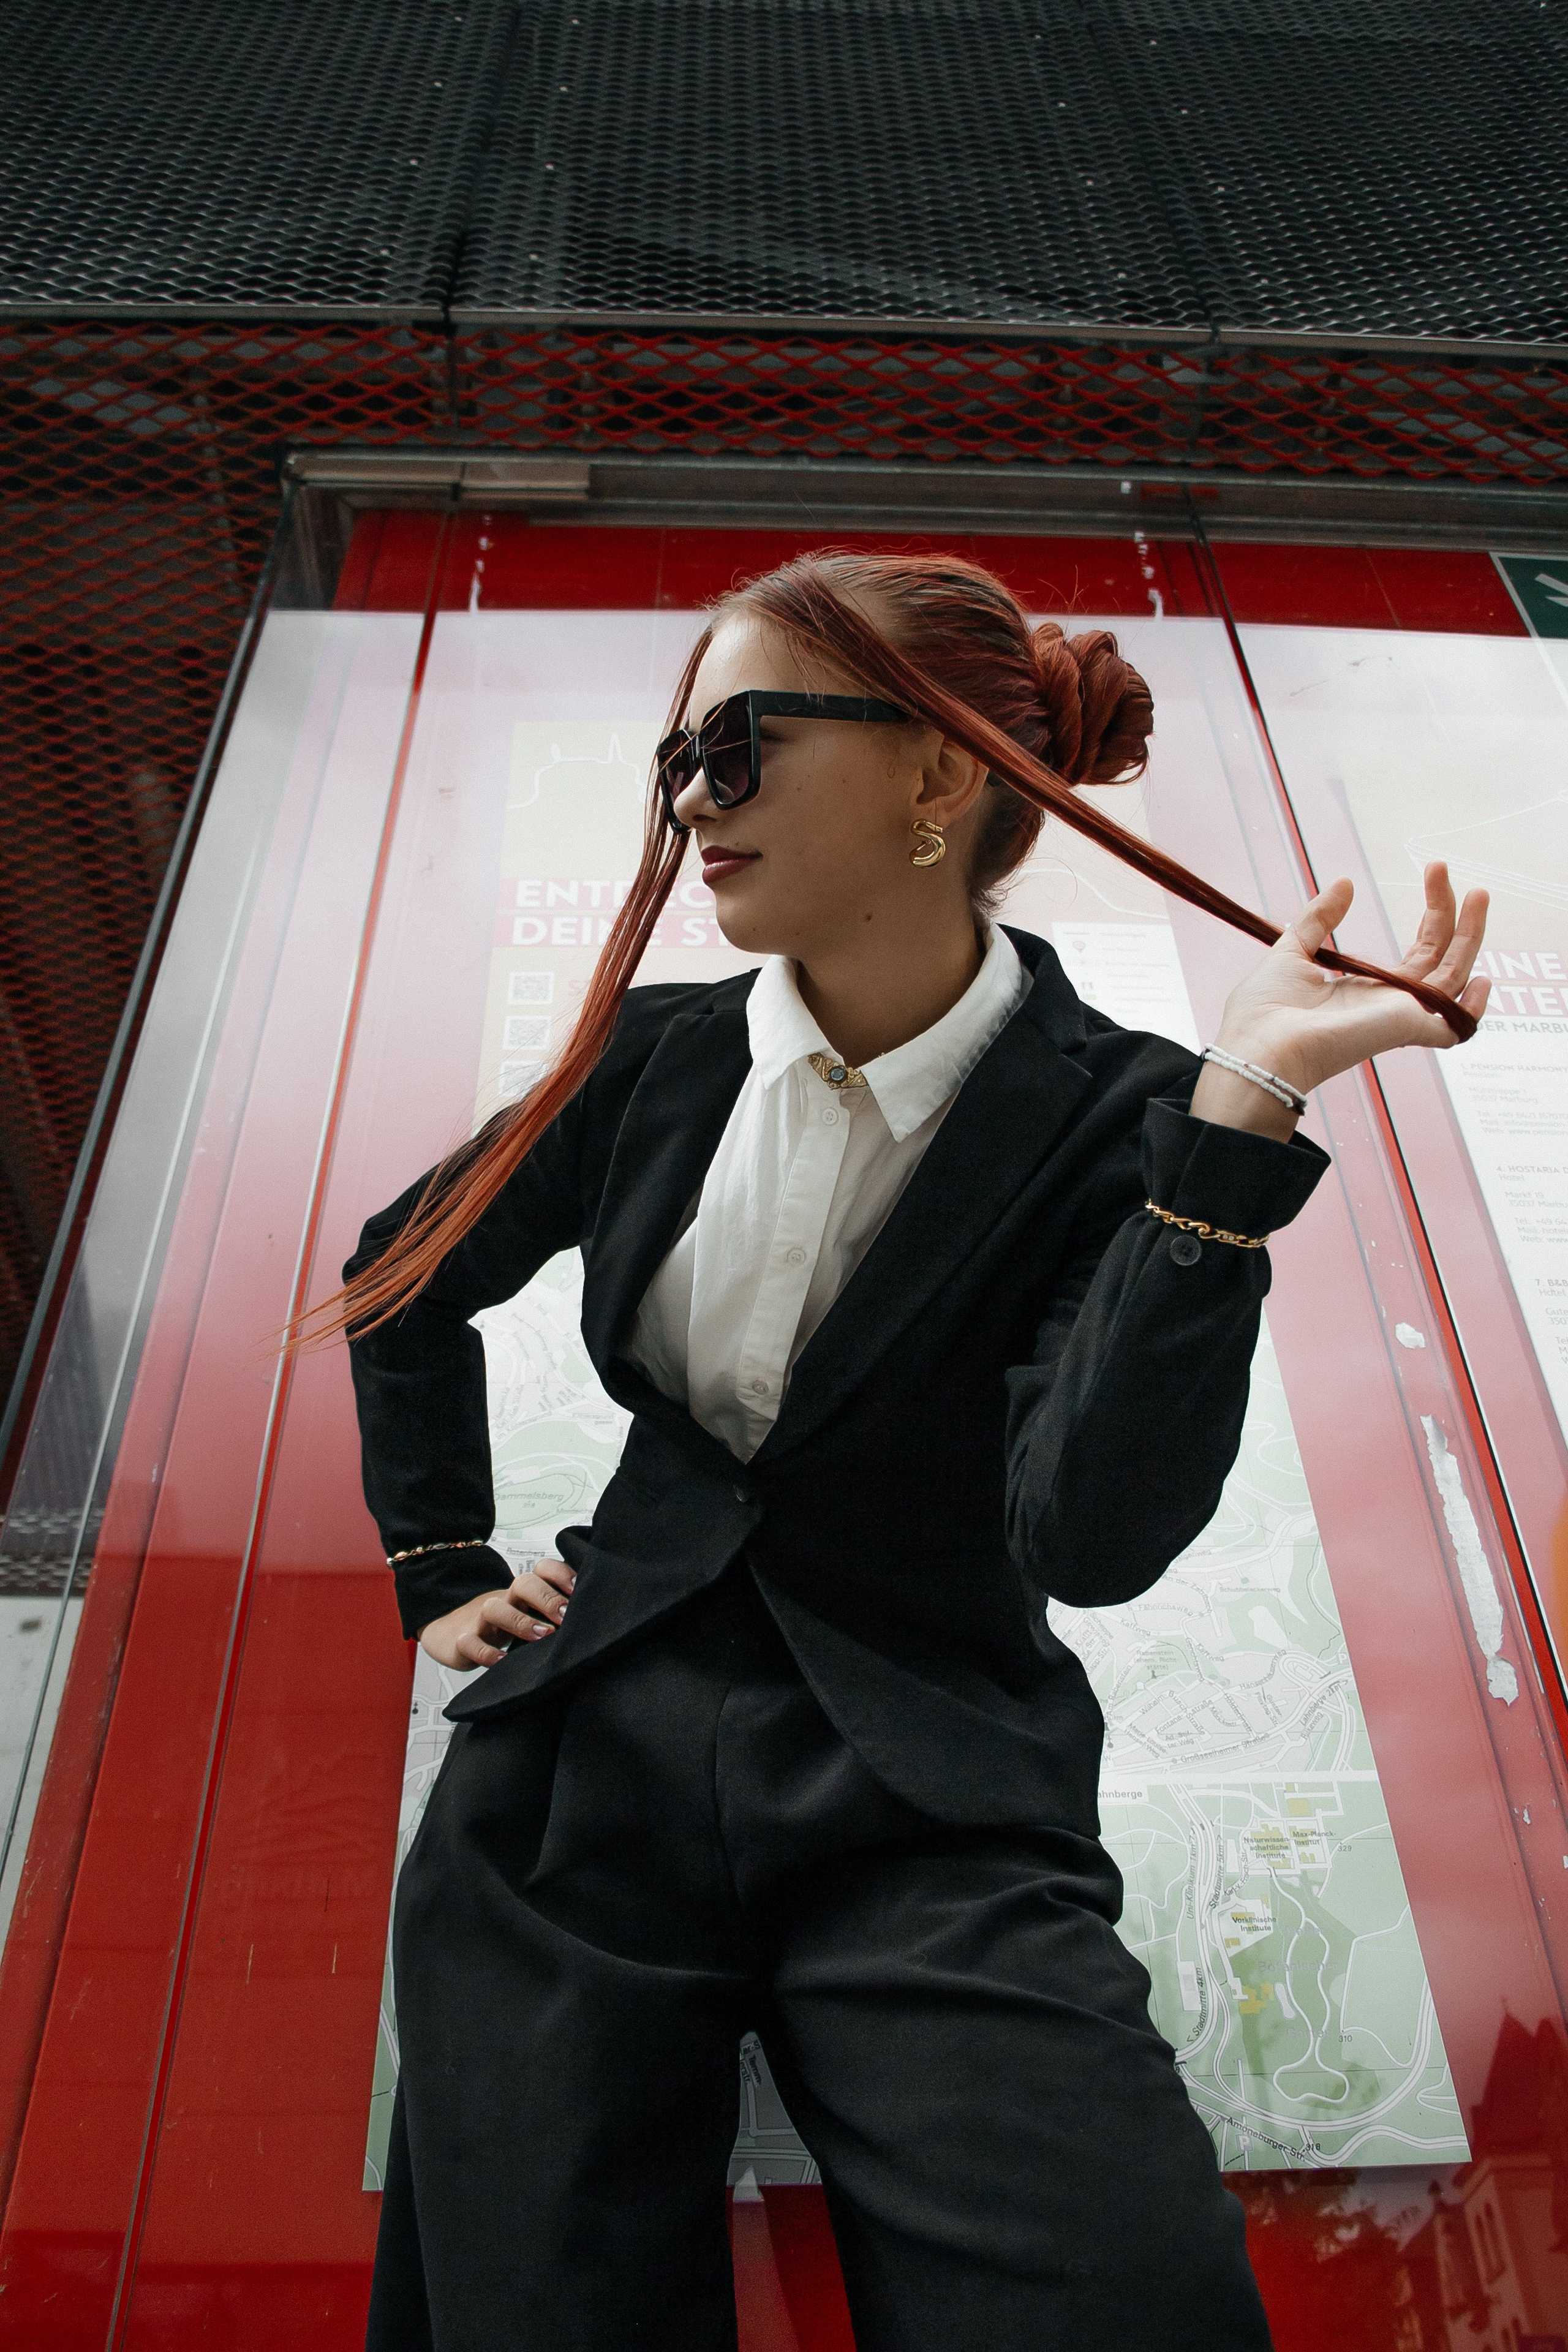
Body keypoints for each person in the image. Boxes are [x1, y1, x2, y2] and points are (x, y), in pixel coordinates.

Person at [323, 552, 1488, 2351]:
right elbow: (398, 1281)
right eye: (674, 760)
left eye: (739, 744)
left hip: (933, 1792)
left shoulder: (1131, 1116)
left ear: (940, 775)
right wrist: (442, 1566)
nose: (691, 803)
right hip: (584, 1766)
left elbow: (1090, 1537)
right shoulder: (644, 1063)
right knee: (531, 2301)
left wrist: (1237, 1124)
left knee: (1122, 2297)